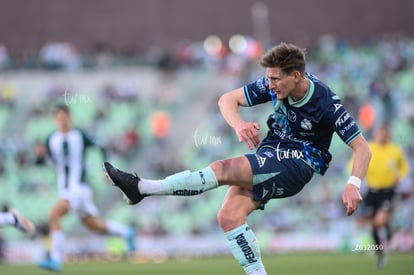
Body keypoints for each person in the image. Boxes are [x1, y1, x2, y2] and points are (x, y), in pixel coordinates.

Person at [103, 42, 372, 275]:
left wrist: (353, 183)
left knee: (223, 168)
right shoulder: (273, 85)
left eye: (276, 79)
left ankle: (141, 188)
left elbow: (363, 148)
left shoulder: (327, 103)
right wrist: (239, 125)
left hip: (299, 162)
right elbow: (226, 99)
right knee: (229, 217)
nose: (270, 84)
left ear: (296, 76)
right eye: (268, 78)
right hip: (272, 152)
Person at [36, 104, 137, 272]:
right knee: (94, 226)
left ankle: (55, 259)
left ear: (70, 118)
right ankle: (127, 232)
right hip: (65, 189)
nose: (62, 120)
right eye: (59, 117)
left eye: (64, 116)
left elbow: (102, 147)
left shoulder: (80, 136)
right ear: (55, 119)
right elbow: (52, 163)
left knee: (54, 215)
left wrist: (105, 170)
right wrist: (39, 158)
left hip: (79, 188)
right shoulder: (51, 139)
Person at [352, 124, 409, 268]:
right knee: (373, 225)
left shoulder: (395, 150)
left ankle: (388, 229)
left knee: (379, 221)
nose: (382, 136)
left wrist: (400, 176)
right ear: (376, 134)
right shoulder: (368, 147)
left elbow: (404, 168)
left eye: (384, 133)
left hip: (388, 190)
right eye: (379, 133)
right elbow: (354, 163)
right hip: (372, 191)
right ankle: (380, 254)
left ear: (388, 135)